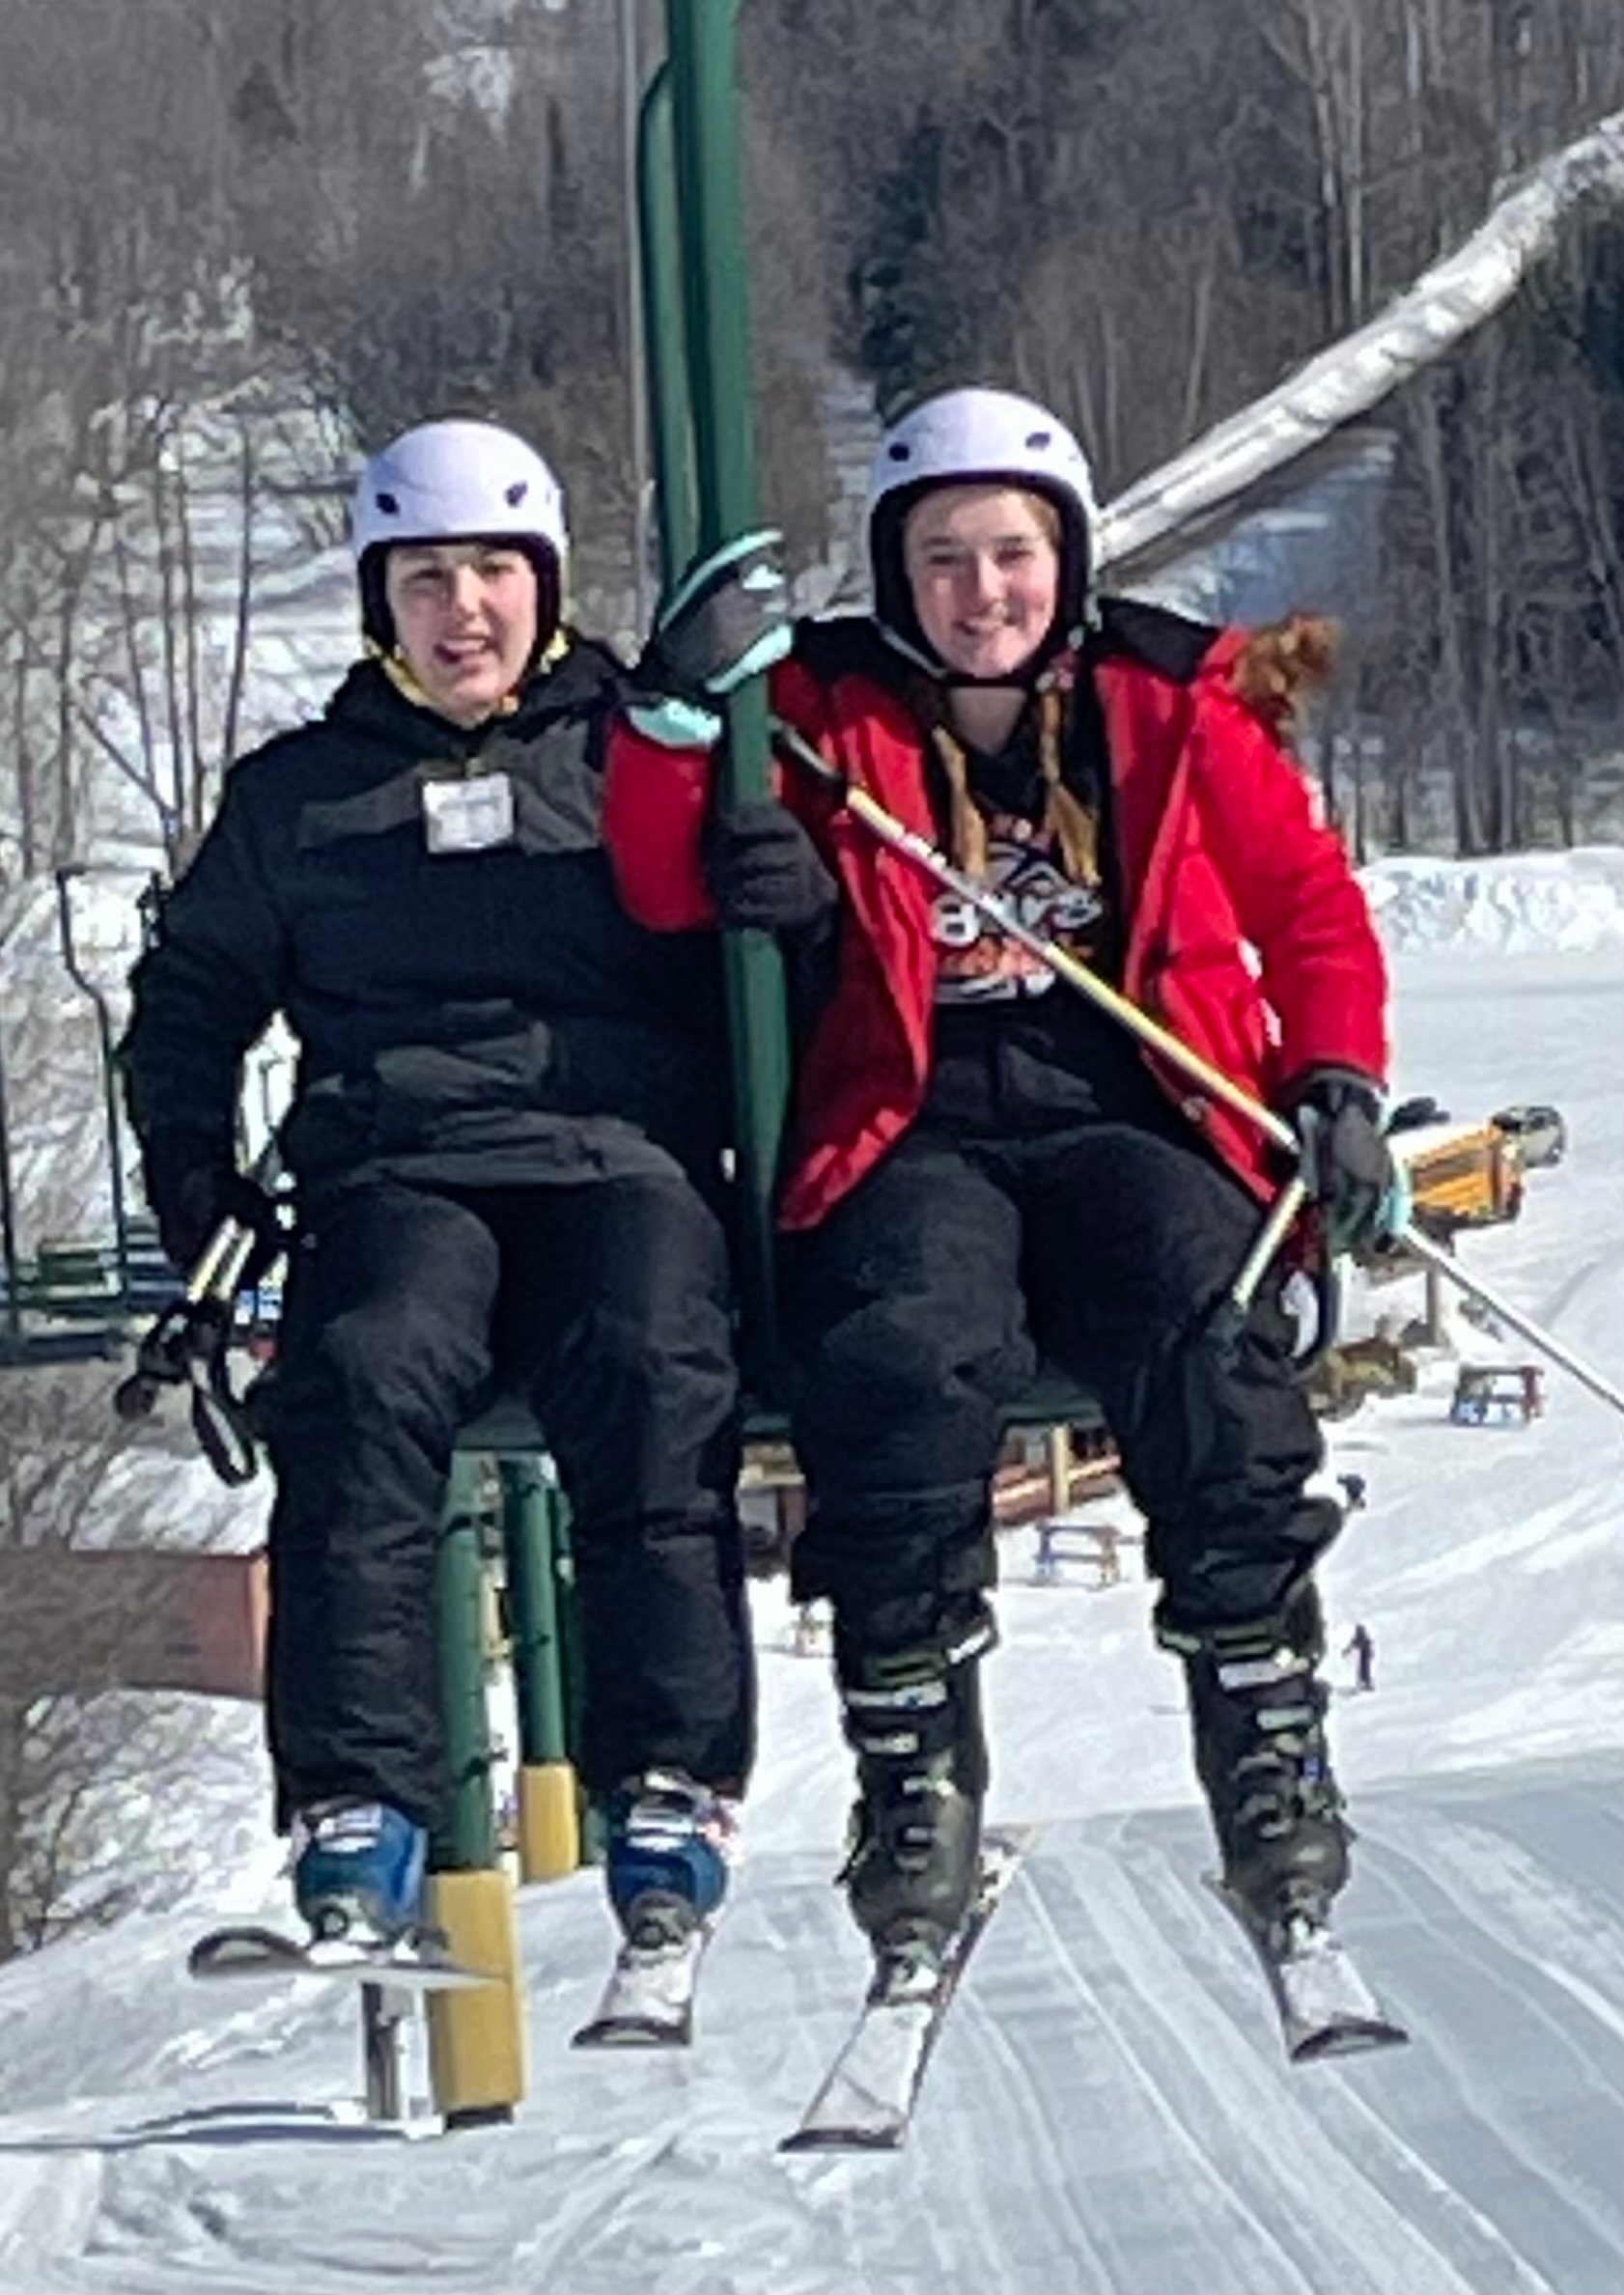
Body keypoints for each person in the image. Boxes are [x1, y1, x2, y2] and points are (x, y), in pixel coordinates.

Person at [603, 384, 1399, 1985]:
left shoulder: (1164, 705)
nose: (982, 593)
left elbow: (1306, 908)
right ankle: (915, 1757)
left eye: (1012, 556)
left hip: (1129, 1101)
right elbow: (656, 870)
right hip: (918, 1115)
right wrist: (692, 767)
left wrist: (1336, 1080)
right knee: (897, 1352)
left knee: (1205, 1322)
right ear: (900, 574)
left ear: (1069, 561)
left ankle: (1262, 1727)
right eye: (945, 559)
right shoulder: (828, 715)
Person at [119, 417, 758, 1964]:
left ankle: (664, 1778)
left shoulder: (633, 755)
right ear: (377, 599)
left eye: (489, 573)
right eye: (423, 578)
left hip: (614, 1154)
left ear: (541, 586)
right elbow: (193, 993)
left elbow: (757, 940)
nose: (460, 610)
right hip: (402, 1167)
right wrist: (195, 1181)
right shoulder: (303, 798)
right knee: (356, 1379)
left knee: (650, 1367)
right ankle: (358, 1799)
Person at [1344, 1622, 1376, 1693]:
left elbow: (1369, 1646)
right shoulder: (1359, 1638)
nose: (1358, 1633)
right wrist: (1346, 1651)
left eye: (1359, 1631)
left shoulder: (1365, 1639)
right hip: (1362, 1657)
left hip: (1365, 1657)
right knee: (1361, 1670)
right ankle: (1363, 1684)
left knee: (1365, 1670)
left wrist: (1371, 1653)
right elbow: (1352, 1645)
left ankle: (1367, 1684)